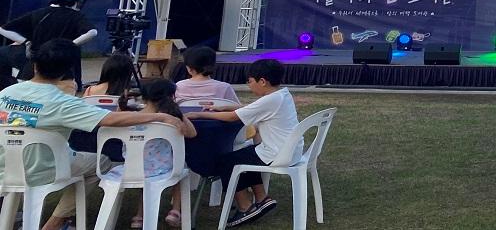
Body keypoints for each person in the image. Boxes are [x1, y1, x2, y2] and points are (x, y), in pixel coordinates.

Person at [0, 40, 186, 230]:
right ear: (67, 70)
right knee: (102, 161)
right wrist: (160, 116)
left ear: (35, 65)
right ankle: (54, 223)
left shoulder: (6, 93)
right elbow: (112, 119)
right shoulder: (63, 103)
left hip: (5, 166)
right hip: (43, 169)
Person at [187, 58, 298, 227]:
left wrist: (199, 115)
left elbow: (233, 117)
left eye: (250, 81)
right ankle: (262, 198)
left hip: (278, 153)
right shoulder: (281, 95)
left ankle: (246, 207)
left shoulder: (271, 100)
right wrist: (224, 108)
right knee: (246, 154)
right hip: (287, 150)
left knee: (227, 162)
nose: (248, 85)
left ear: (262, 81)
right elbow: (248, 110)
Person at [103, 78, 196, 228]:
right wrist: (178, 112)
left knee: (145, 178)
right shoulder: (171, 119)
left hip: (131, 169)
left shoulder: (128, 118)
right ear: (171, 97)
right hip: (162, 169)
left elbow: (114, 119)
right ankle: (175, 211)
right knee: (181, 166)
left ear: (144, 97)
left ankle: (139, 216)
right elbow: (192, 133)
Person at [0, 0, 97, 91]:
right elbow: (92, 32)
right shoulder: (76, 16)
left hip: (33, 68)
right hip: (63, 70)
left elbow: (3, 29)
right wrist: (69, 45)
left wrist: (26, 42)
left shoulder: (39, 13)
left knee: (26, 96)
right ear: (76, 0)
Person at [174, 46, 240, 104]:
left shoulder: (179, 86)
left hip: (186, 117)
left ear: (189, 68)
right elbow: (237, 110)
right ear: (214, 65)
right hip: (215, 118)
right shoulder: (224, 87)